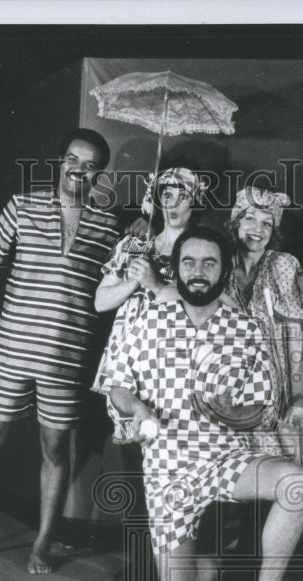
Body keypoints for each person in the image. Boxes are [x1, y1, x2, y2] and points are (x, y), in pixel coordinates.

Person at [0, 128, 121, 574]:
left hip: (65, 356)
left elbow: (117, 289)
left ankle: (42, 543)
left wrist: (138, 242)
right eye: (72, 159)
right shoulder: (23, 205)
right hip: (12, 348)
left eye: (90, 166)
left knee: (55, 449)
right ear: (60, 161)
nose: (79, 169)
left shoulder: (109, 226)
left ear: (99, 175)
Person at [104, 226, 303, 581]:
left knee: (297, 485)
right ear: (177, 269)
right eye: (189, 262)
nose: (198, 272)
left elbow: (261, 406)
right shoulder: (148, 319)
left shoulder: (247, 328)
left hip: (225, 459)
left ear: (223, 271)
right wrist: (137, 409)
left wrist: (227, 412)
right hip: (168, 470)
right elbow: (117, 385)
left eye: (209, 263)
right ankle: (230, 561)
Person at [92, 167, 204, 442]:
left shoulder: (201, 251)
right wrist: (133, 281)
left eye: (183, 196)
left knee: (172, 440)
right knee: (132, 438)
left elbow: (206, 301)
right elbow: (100, 302)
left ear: (195, 202)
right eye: (167, 195)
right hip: (128, 358)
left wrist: (156, 283)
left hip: (174, 359)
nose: (174, 204)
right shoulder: (133, 245)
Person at [226, 186, 303, 459]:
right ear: (236, 221)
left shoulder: (282, 265)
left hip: (271, 394)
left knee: (275, 473)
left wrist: (297, 397)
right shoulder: (218, 266)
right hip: (224, 388)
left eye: (267, 223)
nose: (258, 229)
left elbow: (295, 336)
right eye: (250, 219)